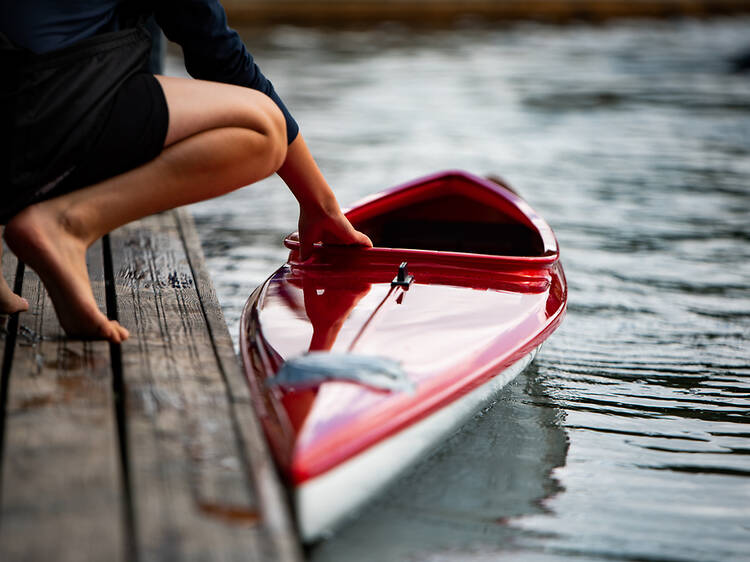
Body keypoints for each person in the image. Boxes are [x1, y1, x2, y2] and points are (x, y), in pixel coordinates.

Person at [0, 1, 372, 342]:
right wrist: (318, 202)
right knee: (265, 129)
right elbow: (217, 52)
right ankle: (67, 225)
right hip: (40, 113)